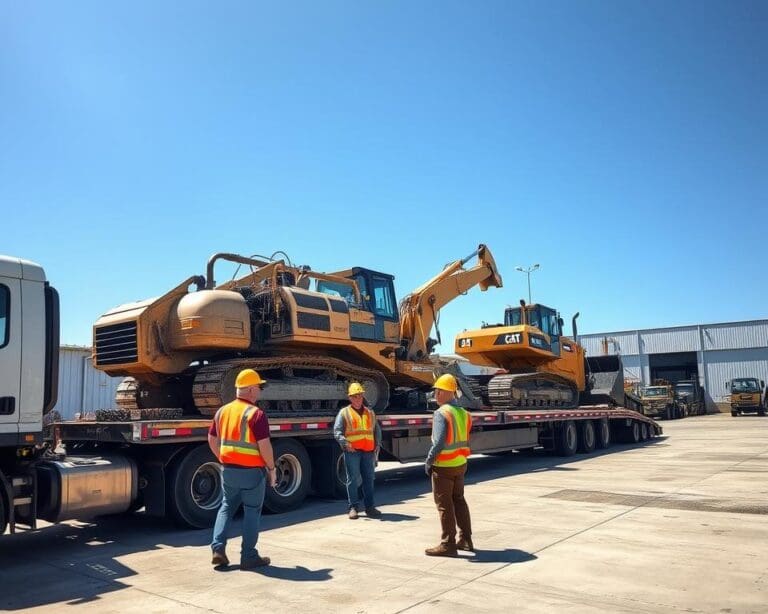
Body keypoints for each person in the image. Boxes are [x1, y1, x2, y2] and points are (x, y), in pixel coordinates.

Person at [208, 368, 277, 569]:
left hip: (228, 470)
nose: (260, 392)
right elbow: (264, 445)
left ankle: (218, 548)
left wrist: (222, 457)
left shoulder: (223, 411)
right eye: (258, 388)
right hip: (252, 473)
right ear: (250, 390)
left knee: (226, 507)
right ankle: (248, 556)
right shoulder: (256, 414)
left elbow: (212, 439)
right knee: (252, 511)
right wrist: (271, 469)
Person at [424, 373, 473, 557]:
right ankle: (466, 539)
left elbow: (438, 443)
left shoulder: (441, 413)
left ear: (446, 392)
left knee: (444, 505)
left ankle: (448, 544)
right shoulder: (464, 414)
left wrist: (429, 461)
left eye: (437, 390)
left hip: (443, 466)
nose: (435, 394)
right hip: (460, 463)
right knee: (459, 500)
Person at [334, 382, 382, 519]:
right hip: (352, 452)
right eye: (355, 396)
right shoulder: (344, 413)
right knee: (352, 480)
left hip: (368, 452)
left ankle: (370, 507)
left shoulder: (370, 413)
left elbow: (376, 429)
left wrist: (377, 443)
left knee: (369, 479)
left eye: (360, 395)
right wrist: (345, 443)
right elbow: (337, 432)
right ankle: (353, 507)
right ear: (350, 398)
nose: (358, 398)